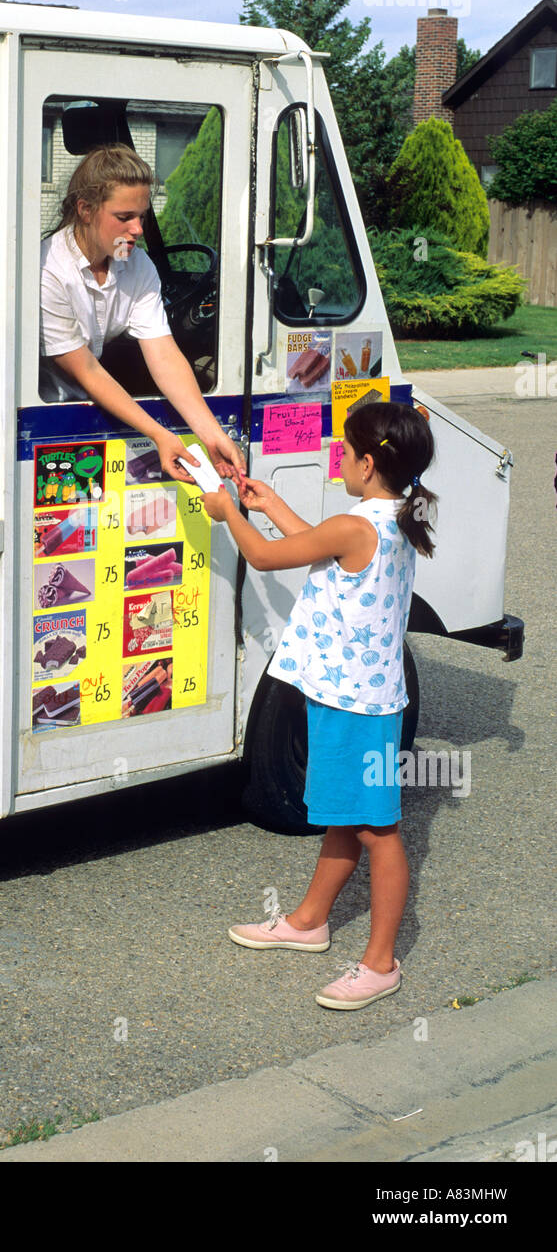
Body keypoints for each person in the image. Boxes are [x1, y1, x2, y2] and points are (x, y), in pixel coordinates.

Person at [202, 401, 437, 1010]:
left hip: (357, 706)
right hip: (355, 698)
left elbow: (265, 556)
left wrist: (230, 512)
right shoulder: (389, 518)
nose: (338, 458)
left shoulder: (357, 525)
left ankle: (381, 963)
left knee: (378, 831)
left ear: (366, 462)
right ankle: (309, 921)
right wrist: (268, 503)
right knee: (342, 814)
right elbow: (319, 543)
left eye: (344, 449)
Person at [40, 144, 243, 483]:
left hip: (96, 410)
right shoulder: (49, 269)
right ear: (85, 210)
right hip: (51, 416)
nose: (137, 229)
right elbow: (87, 370)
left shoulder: (136, 263)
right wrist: (160, 435)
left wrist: (211, 434)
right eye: (124, 218)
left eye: (142, 216)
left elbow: (162, 352)